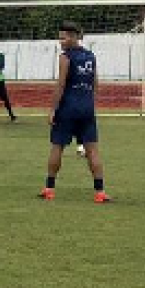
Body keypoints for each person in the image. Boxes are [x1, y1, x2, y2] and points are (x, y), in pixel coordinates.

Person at [39, 21, 111, 203]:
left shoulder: (65, 57)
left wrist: (53, 109)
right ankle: (100, 192)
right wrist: (88, 103)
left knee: (57, 147)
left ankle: (49, 188)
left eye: (63, 38)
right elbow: (96, 84)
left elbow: (61, 84)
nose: (60, 41)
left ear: (72, 37)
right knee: (92, 150)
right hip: (87, 108)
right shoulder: (91, 56)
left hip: (67, 109)